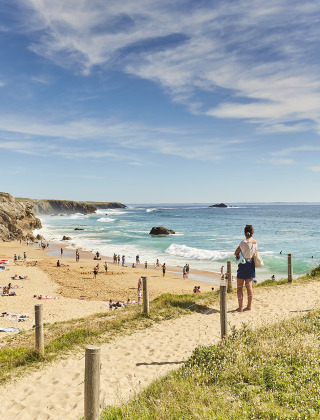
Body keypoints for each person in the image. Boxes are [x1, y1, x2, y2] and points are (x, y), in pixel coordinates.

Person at [234, 224, 257, 312]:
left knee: (239, 287)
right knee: (249, 287)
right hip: (251, 264)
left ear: (245, 233)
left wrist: (237, 255)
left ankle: (240, 308)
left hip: (243, 264)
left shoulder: (243, 242)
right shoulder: (255, 242)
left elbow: (236, 252)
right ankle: (249, 306)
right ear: (252, 232)